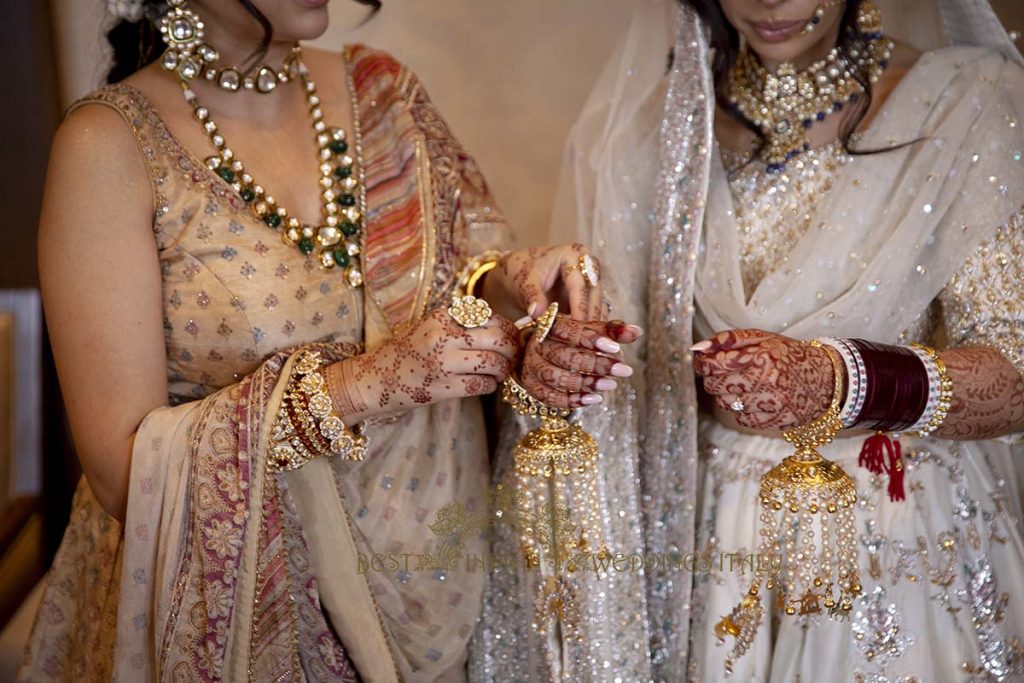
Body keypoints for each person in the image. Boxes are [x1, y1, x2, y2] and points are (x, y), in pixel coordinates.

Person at [19, 0, 634, 680]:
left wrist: (515, 290)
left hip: (449, 582)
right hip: (250, 616)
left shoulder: (384, 91)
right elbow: (122, 471)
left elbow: (460, 274)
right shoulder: (109, 147)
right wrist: (369, 383)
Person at [472, 0, 1024, 680]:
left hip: (895, 524)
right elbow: (628, 360)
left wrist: (839, 381)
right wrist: (569, 352)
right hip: (710, 532)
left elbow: (1015, 374)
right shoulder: (661, 127)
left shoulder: (966, 102)